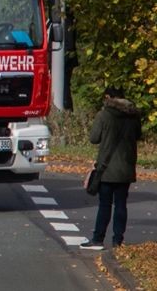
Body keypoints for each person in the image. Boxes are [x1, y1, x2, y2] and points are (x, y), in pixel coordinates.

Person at [81, 85, 142, 250]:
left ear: (108, 97)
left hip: (107, 168)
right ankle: (118, 241)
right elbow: (138, 136)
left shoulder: (104, 115)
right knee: (121, 204)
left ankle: (98, 239)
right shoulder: (133, 115)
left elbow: (94, 138)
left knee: (105, 204)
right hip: (126, 166)